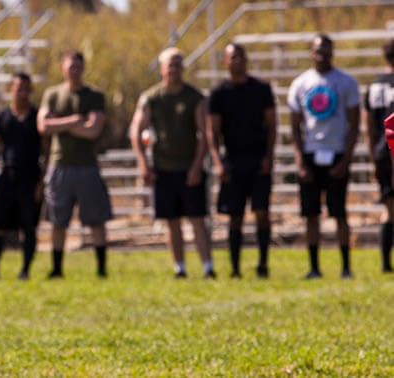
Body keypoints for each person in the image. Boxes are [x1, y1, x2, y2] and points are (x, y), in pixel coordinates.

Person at [129, 47, 215, 279]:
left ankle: (207, 267)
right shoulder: (151, 98)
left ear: (183, 68)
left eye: (178, 64)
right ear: (161, 69)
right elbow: (136, 131)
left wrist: (198, 166)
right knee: (172, 221)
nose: (174, 69)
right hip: (163, 169)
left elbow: (204, 134)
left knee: (197, 219)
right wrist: (143, 165)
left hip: (190, 169)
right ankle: (180, 268)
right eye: (170, 64)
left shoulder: (194, 98)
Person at [289, 34, 360, 279]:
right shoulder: (301, 83)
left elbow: (354, 124)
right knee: (311, 214)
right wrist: (300, 161)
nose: (322, 56)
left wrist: (345, 160)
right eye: (318, 51)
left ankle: (345, 267)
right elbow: (294, 127)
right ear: (311, 52)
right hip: (310, 154)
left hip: (336, 153)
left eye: (326, 51)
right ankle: (314, 267)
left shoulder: (345, 82)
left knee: (339, 213)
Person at [37, 51, 112, 279]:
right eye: (70, 66)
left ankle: (101, 268)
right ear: (63, 68)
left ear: (83, 68)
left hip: (87, 166)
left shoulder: (94, 96)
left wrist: (58, 124)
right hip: (59, 166)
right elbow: (43, 126)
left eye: (78, 66)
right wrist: (73, 121)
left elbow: (93, 131)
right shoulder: (53, 94)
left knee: (96, 219)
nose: (74, 71)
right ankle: (57, 269)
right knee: (58, 221)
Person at [207, 43, 277, 278]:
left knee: (261, 212)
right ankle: (235, 268)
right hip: (233, 161)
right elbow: (212, 132)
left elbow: (272, 125)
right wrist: (218, 161)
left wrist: (268, 156)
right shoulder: (219, 94)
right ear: (225, 61)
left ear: (247, 60)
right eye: (232, 57)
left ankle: (263, 264)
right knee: (234, 216)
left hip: (258, 159)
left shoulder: (261, 89)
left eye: (240, 57)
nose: (237, 61)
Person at [0, 72, 45, 280]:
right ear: (11, 89)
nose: (23, 93)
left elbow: (46, 152)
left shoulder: (37, 117)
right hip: (7, 177)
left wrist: (41, 183)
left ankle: (25, 270)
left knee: (29, 227)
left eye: (27, 88)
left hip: (30, 178)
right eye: (19, 88)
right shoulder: (2, 117)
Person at [363, 39, 394, 273]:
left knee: (389, 209)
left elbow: (369, 128)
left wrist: (373, 159)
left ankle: (385, 265)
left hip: (383, 152)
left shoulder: (374, 87)